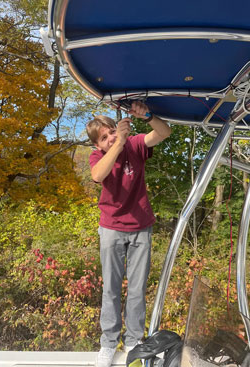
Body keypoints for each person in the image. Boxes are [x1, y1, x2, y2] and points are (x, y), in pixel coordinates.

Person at [86, 101, 171, 367]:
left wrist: (147, 116)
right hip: (111, 227)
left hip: (141, 227)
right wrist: (118, 144)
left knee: (137, 289)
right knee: (110, 289)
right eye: (104, 137)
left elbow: (163, 133)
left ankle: (134, 341)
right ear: (98, 145)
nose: (111, 137)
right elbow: (98, 176)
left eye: (112, 130)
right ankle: (108, 344)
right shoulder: (99, 157)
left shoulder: (135, 144)